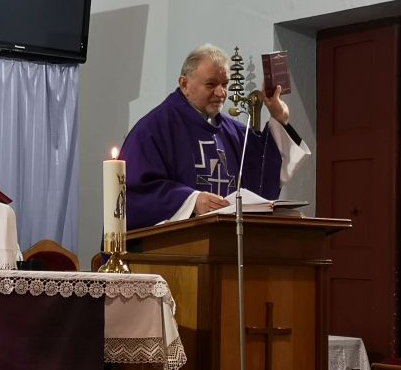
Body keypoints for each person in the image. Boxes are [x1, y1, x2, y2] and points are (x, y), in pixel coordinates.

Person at [121, 44, 311, 230]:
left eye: (225, 84)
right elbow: (136, 192)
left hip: (229, 241)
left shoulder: (235, 133)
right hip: (178, 245)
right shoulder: (153, 129)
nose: (221, 93)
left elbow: (268, 172)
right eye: (211, 84)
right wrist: (192, 201)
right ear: (184, 84)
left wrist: (279, 117)